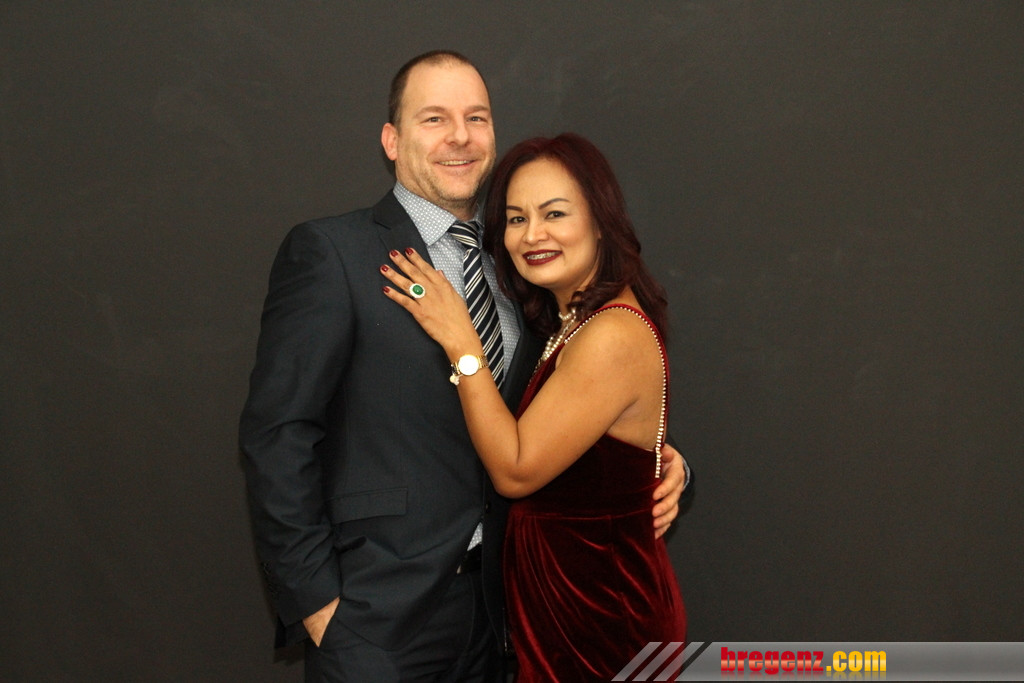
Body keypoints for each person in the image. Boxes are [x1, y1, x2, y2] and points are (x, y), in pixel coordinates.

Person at [240, 50, 688, 682]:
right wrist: (318, 607)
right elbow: (278, 433)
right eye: (434, 119)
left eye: (476, 118)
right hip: (378, 623)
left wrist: (658, 460)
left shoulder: (526, 265)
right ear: (391, 141)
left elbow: (580, 395)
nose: (460, 136)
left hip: (508, 620)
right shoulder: (333, 253)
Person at [380, 132, 686, 680]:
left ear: (600, 221)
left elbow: (516, 470)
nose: (532, 235)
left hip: (603, 624)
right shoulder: (565, 322)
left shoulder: (611, 333)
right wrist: (662, 461)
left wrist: (462, 342)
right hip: (564, 617)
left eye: (554, 213)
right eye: (516, 218)